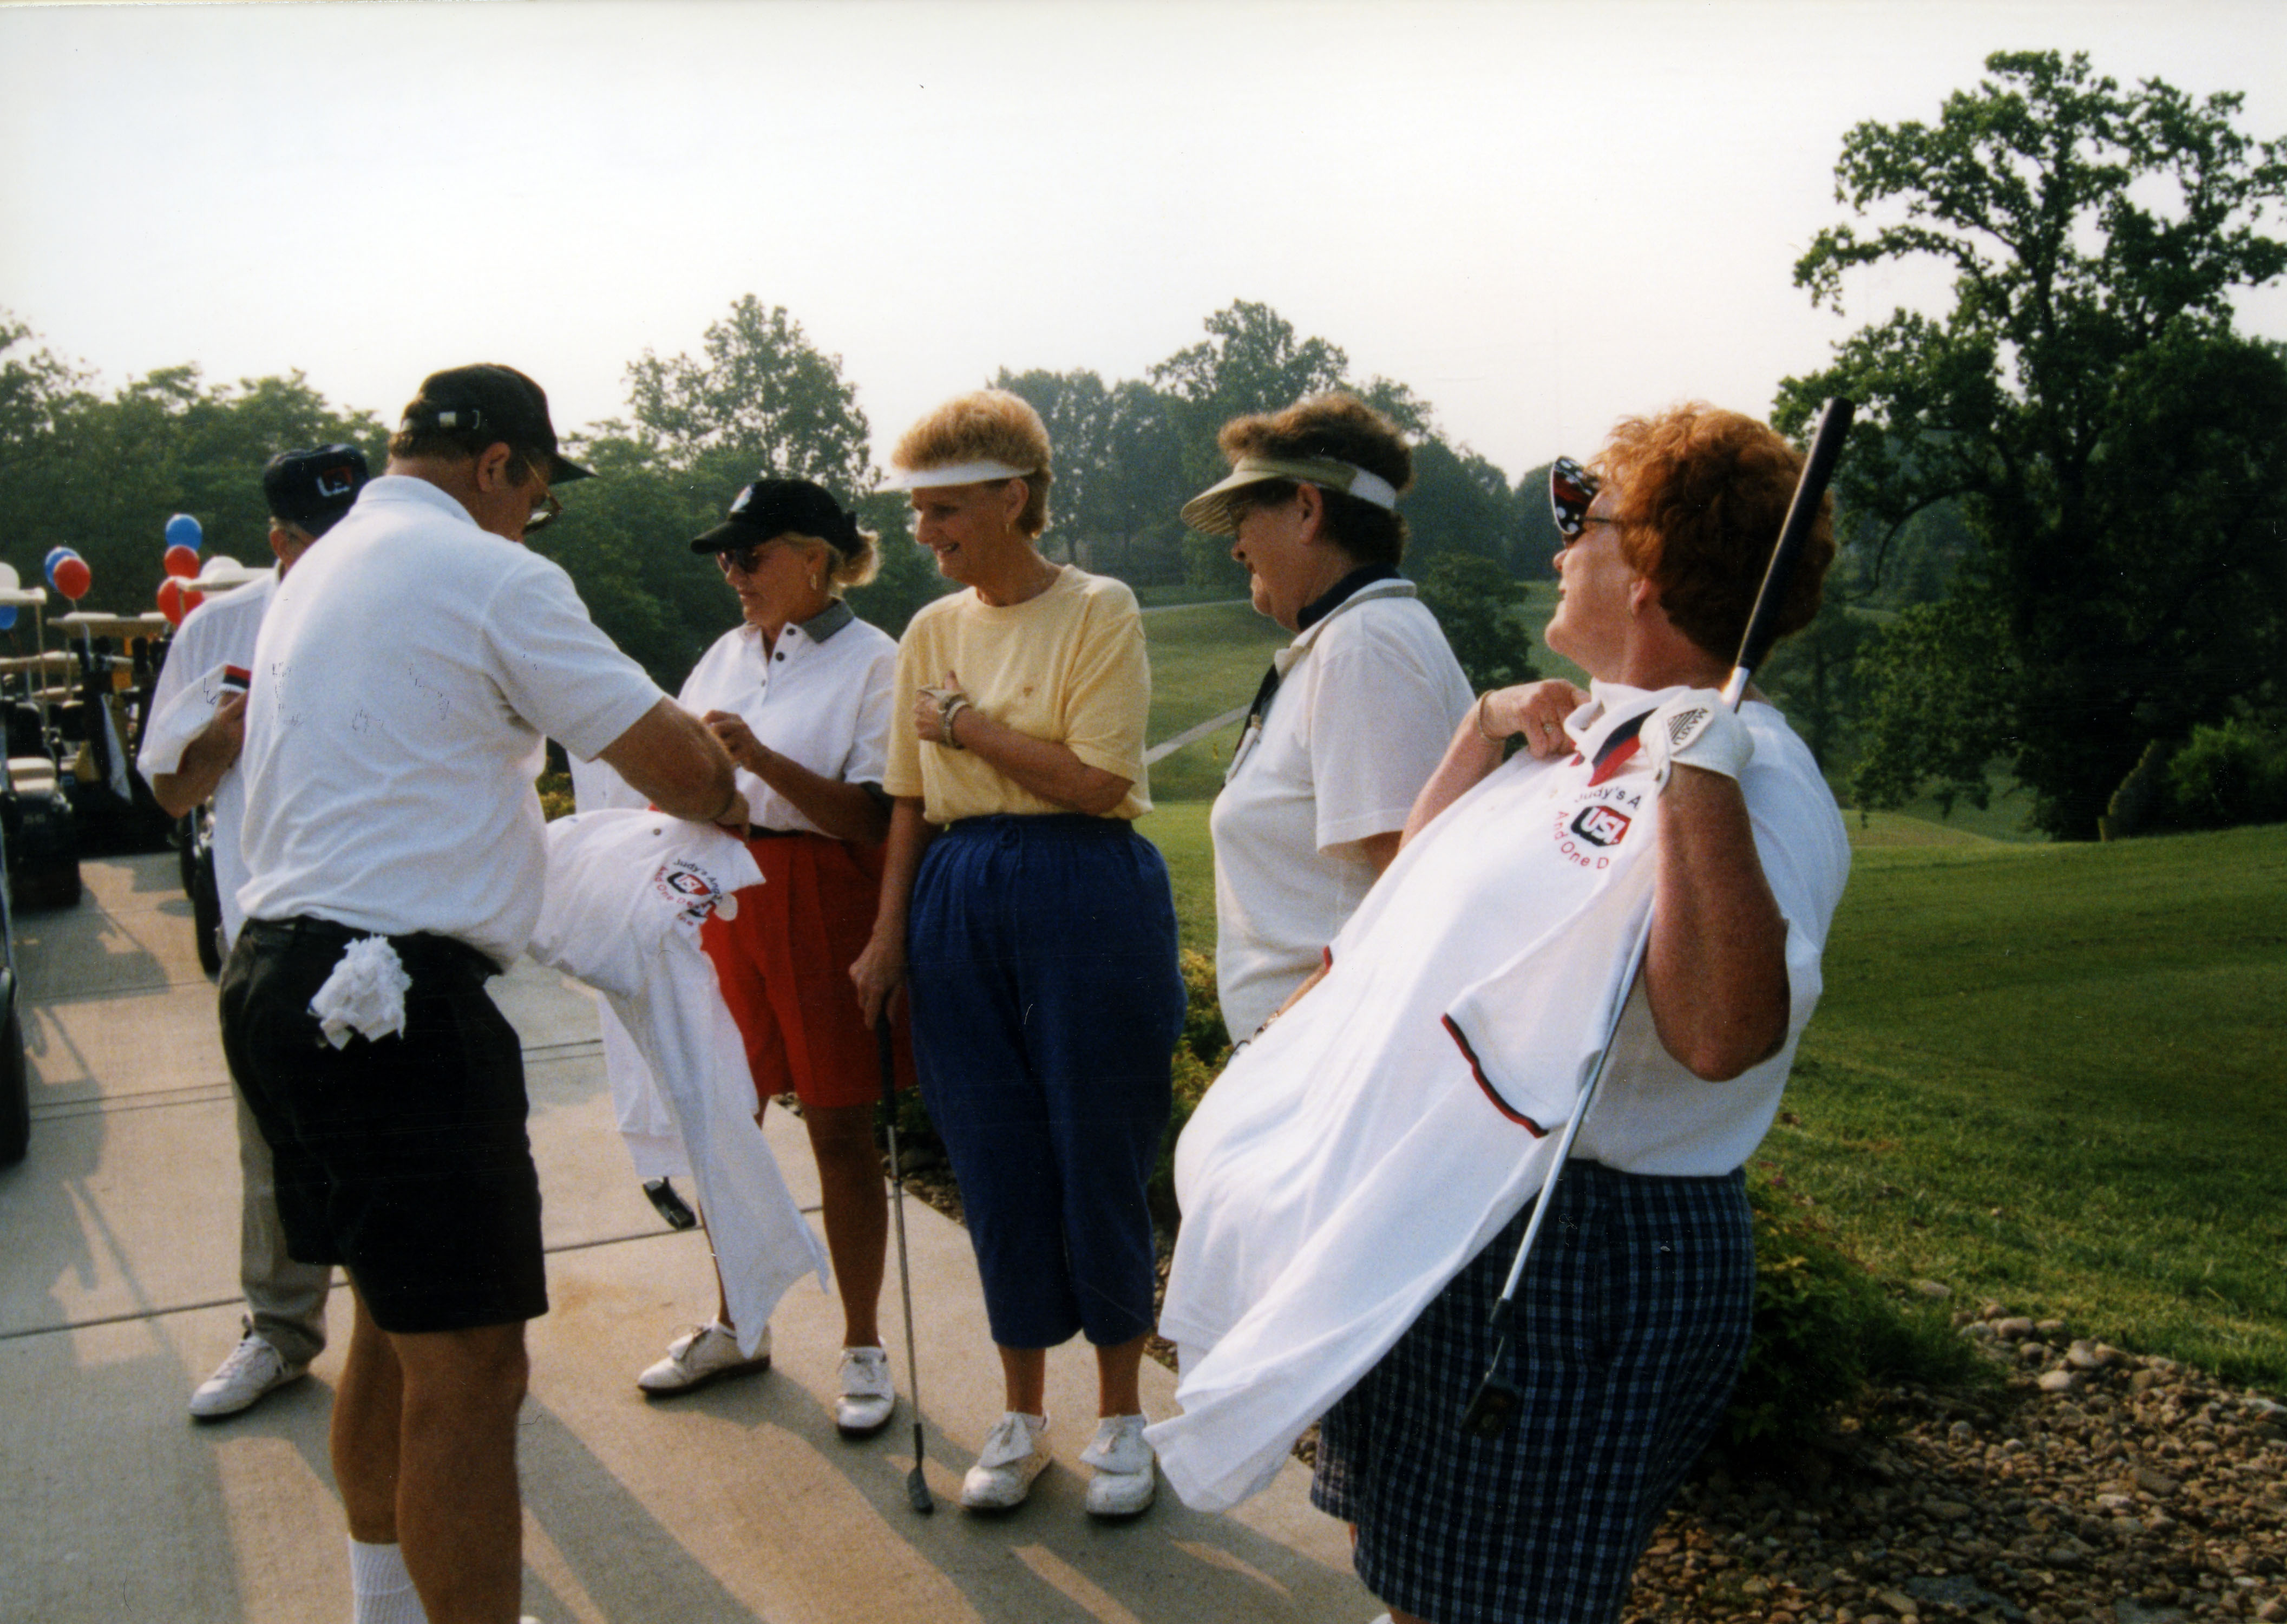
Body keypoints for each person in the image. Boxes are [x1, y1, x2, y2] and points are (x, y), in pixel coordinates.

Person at [1152, 404, 1852, 1624]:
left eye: (1586, 515)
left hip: (1575, 1247)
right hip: (1444, 1212)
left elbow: (1721, 1036)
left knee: (1488, 1608)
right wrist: (1481, 731)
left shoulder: (1755, 772)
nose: (1560, 542)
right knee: (1409, 1573)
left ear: (1651, 567)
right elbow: (1412, 909)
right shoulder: (1583, 737)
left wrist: (1700, 767)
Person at [221, 364, 745, 1624]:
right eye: (537, 494)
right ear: (500, 464)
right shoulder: (491, 573)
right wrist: (719, 769)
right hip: (393, 1000)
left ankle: (381, 1604)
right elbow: (678, 768)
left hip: (278, 979)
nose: (532, 520)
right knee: (472, 1364)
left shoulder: (322, 568)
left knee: (392, 1324)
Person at [850, 389, 1186, 1518]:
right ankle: (1022, 1416)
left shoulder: (1099, 607)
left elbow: (1098, 781)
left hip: (1084, 885)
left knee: (1098, 1146)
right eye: (917, 512)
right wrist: (887, 937)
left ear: (1013, 496)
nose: (924, 532)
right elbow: (909, 799)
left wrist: (968, 728)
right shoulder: (930, 631)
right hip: (956, 889)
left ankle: (1123, 1417)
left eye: (944, 509)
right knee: (994, 1156)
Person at [625, 474, 914, 1438]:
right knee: (722, 1122)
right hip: (724, 892)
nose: (732, 572)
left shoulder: (876, 661)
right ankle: (738, 1321)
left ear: (817, 559)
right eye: (725, 557)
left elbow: (870, 815)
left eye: (750, 555)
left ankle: (863, 1343)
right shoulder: (723, 655)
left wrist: (756, 759)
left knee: (837, 1129)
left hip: (823, 891)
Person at [138, 443, 369, 1419]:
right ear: (280, 540)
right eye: (320, 536)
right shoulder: (220, 629)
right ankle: (278, 1331)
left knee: (400, 1151)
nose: (345, 551)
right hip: (266, 938)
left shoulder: (398, 606)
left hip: (391, 934)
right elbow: (167, 789)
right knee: (274, 1150)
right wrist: (219, 742)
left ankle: (419, 1336)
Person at [1178, 392, 1472, 1042]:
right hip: (1316, 1048)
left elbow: (1413, 895)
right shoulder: (1352, 638)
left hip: (1331, 1051)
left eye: (1242, 518)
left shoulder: (1363, 646)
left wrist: (1277, 1039)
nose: (1236, 548)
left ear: (1307, 510)